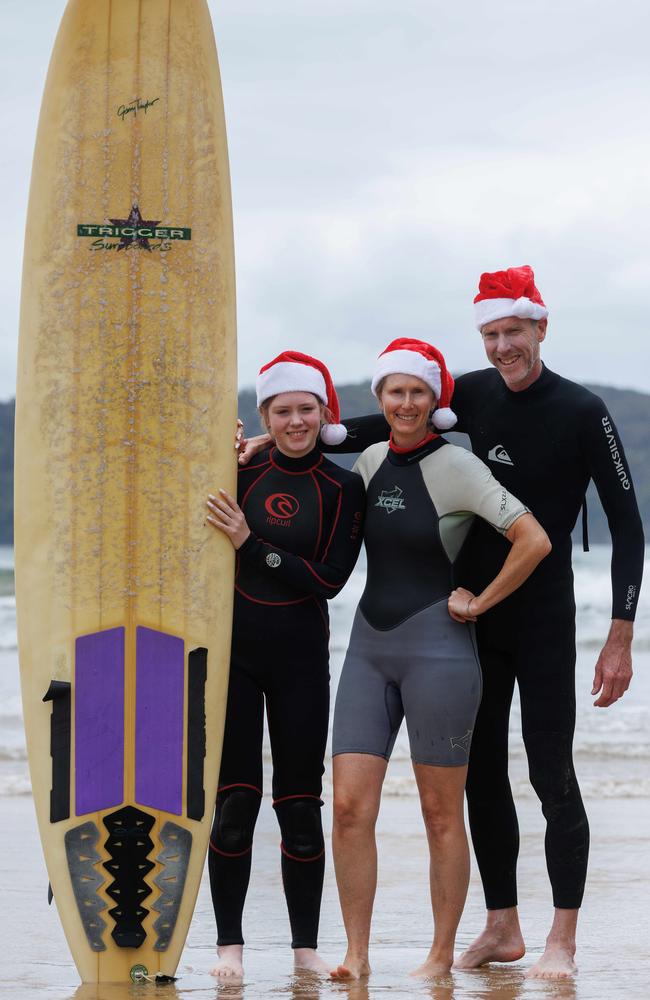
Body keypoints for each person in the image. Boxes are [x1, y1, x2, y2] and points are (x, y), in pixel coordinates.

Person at [325, 339, 551, 980]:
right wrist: (254, 447)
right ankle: (357, 954)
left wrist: (480, 603)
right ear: (380, 398)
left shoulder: (458, 467)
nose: (405, 403)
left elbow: (532, 539)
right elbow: (304, 451)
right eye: (394, 391)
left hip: (440, 653)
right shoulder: (368, 461)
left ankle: (439, 956)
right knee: (347, 807)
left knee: (439, 811)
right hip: (369, 648)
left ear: (435, 400)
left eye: (418, 392)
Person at [205, 351, 365, 978]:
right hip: (237, 657)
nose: (296, 420)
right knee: (234, 803)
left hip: (302, 659)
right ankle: (229, 947)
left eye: (306, 409)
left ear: (323, 414)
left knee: (300, 807)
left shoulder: (343, 486)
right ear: (265, 416)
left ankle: (304, 947)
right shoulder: (239, 473)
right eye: (282, 410)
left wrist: (251, 543)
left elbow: (328, 581)